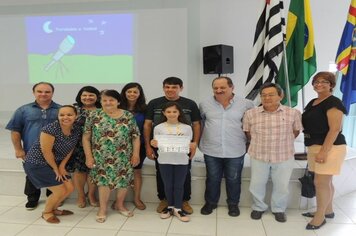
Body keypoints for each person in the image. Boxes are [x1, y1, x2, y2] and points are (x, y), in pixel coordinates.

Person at [242, 83, 303, 223]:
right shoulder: (250, 113)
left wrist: (282, 143)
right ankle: (258, 207)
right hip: (259, 155)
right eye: (263, 95)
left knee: (281, 185)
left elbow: (296, 131)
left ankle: (279, 209)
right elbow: (247, 132)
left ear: (280, 96)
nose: (266, 98)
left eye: (271, 94)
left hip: (283, 155)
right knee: (257, 183)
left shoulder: (293, 113)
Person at [144, 77, 201, 214]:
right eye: (167, 87)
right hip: (162, 149)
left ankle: (184, 200)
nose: (170, 89)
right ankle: (164, 199)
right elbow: (147, 124)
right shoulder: (154, 103)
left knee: (185, 174)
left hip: (183, 149)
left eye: (174, 87)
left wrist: (195, 144)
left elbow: (197, 124)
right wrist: (148, 146)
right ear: (163, 87)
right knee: (161, 174)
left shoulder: (190, 104)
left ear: (181, 88)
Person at [83, 89, 140, 223]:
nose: (108, 103)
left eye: (112, 100)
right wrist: (89, 156)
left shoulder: (127, 115)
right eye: (104, 100)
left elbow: (136, 137)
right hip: (100, 156)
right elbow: (86, 138)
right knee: (104, 182)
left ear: (118, 101)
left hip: (124, 156)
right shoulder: (93, 115)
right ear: (100, 101)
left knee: (123, 181)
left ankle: (119, 204)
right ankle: (102, 209)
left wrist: (136, 154)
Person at [199, 76, 254, 217]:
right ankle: (210, 203)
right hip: (211, 149)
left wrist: (249, 143)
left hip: (235, 149)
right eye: (215, 88)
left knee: (234, 179)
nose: (218, 90)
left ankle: (233, 204)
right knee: (212, 178)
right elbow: (200, 124)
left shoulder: (246, 104)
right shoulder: (204, 104)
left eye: (222, 87)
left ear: (232, 87)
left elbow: (250, 126)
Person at [301, 72, 347, 230]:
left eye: (324, 82)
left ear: (331, 85)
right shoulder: (313, 102)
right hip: (314, 145)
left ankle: (319, 217)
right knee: (326, 182)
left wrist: (324, 151)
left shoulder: (333, 102)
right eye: (316, 81)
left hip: (330, 147)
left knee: (320, 183)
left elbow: (335, 130)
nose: (319, 84)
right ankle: (328, 210)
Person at [6, 82, 61, 210]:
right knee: (31, 174)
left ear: (52, 93)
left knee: (54, 172)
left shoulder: (60, 110)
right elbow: (15, 131)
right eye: (40, 91)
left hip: (55, 150)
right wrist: (18, 149)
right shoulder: (23, 110)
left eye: (47, 92)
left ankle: (54, 196)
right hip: (31, 149)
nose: (43, 94)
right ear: (34, 92)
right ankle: (32, 198)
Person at [23, 105, 82, 224]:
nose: (65, 117)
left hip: (56, 163)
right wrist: (56, 169)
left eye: (69, 114)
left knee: (69, 188)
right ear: (58, 116)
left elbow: (70, 148)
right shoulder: (50, 129)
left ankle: (54, 209)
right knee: (59, 190)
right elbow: (46, 151)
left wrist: (61, 166)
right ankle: (46, 212)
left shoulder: (76, 129)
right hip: (37, 163)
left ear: (76, 116)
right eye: (62, 115)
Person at [151, 102, 194, 222]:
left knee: (179, 185)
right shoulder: (158, 128)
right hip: (164, 160)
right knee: (168, 184)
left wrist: (191, 145)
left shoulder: (187, 127)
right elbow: (156, 144)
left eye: (174, 111)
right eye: (168, 112)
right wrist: (153, 144)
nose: (171, 114)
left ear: (179, 112)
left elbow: (189, 143)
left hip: (181, 160)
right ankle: (170, 207)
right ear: (164, 113)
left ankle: (178, 208)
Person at [66, 86, 101, 208]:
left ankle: (91, 194)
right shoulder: (73, 109)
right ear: (80, 97)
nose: (88, 98)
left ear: (97, 97)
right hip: (77, 145)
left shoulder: (102, 110)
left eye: (91, 95)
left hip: (97, 146)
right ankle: (80, 195)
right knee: (79, 171)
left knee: (93, 171)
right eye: (84, 95)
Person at [120, 82, 147, 210]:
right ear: (124, 93)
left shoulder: (145, 109)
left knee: (136, 172)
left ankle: (137, 198)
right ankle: (120, 201)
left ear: (139, 94)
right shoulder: (117, 107)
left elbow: (147, 128)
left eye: (135, 92)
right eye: (129, 91)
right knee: (121, 173)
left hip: (139, 146)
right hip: (119, 147)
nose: (132, 94)